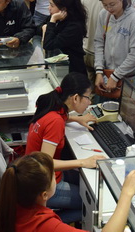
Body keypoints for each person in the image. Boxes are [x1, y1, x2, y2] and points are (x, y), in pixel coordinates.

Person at [0, 152, 135, 232]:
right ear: (44, 195)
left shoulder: (14, 198)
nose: (55, 175)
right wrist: (126, 193)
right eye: (53, 176)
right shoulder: (44, 225)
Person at [25, 73, 104, 221]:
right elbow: (45, 163)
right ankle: (44, 224)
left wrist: (77, 119)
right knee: (92, 204)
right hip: (43, 184)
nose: (89, 102)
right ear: (75, 98)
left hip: (40, 175)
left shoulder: (52, 106)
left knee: (86, 182)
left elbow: (61, 117)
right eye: (88, 97)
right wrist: (83, 162)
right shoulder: (55, 121)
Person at [94, 0, 135, 94]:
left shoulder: (134, 19)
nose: (109, 9)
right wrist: (98, 71)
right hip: (107, 74)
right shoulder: (104, 15)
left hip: (129, 77)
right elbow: (98, 43)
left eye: (112, 4)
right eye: (105, 5)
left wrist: (116, 76)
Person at [83, 0, 121, 84]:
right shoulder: (115, 2)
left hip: (86, 48)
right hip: (103, 55)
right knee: (103, 92)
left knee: (89, 91)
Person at [42, 0, 88, 75]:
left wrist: (52, 21)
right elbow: (37, 28)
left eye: (52, 5)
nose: (49, 8)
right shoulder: (58, 17)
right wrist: (46, 26)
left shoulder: (74, 26)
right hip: (57, 68)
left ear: (63, 9)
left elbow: (48, 44)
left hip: (72, 71)